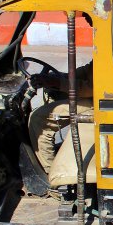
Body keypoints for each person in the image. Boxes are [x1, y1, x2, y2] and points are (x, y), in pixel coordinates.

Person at [28, 15, 94, 173]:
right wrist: (60, 78)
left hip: (98, 101)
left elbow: (90, 88)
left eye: (88, 16)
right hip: (97, 95)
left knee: (37, 119)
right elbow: (89, 70)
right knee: (52, 93)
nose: (87, 20)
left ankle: (51, 177)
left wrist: (57, 82)